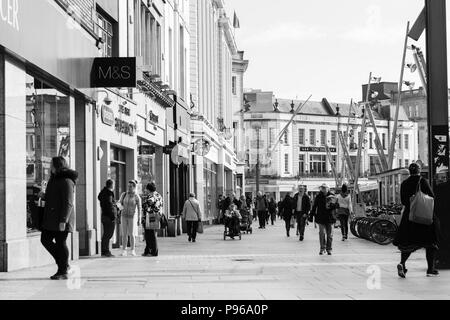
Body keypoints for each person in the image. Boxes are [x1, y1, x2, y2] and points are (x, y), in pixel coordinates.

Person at [393, 163, 440, 278]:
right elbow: (432, 196)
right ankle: (430, 269)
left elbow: (404, 201)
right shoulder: (422, 181)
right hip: (423, 217)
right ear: (419, 171)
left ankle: (402, 264)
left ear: (409, 171)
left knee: (407, 244)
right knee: (431, 243)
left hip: (409, 217)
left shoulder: (404, 183)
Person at [40, 157, 78, 280]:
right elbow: (53, 198)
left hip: (62, 219)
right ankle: (64, 265)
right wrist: (44, 196)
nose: (50, 166)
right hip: (52, 218)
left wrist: (63, 220)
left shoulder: (67, 181)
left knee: (61, 243)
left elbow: (68, 203)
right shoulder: (53, 179)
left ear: (57, 165)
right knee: (45, 239)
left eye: (51, 164)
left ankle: (63, 271)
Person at [310, 184, 337, 255]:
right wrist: (311, 216)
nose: (323, 189)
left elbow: (337, 205)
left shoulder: (332, 196)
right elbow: (314, 206)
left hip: (330, 218)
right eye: (322, 188)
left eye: (325, 188)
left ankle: (329, 249)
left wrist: (332, 205)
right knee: (321, 233)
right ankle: (322, 248)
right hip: (321, 218)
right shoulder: (318, 196)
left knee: (329, 235)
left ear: (328, 189)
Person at [119, 180, 142, 257]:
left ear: (134, 187)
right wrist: (122, 209)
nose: (129, 187)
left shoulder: (136, 196)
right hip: (124, 216)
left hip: (132, 217)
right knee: (124, 234)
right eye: (128, 186)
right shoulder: (124, 194)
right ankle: (124, 250)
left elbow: (139, 208)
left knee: (132, 234)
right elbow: (119, 203)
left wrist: (139, 219)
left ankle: (132, 250)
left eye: (131, 186)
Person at [141, 182, 163, 256]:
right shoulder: (158, 195)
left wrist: (144, 205)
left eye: (146, 189)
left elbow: (148, 204)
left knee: (150, 235)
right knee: (150, 234)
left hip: (150, 216)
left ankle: (154, 252)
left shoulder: (151, 196)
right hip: (156, 216)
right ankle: (147, 251)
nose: (145, 190)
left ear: (148, 189)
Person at [98, 179, 118, 257]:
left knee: (106, 234)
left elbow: (100, 198)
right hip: (109, 217)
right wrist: (113, 216)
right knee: (108, 234)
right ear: (112, 185)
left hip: (104, 215)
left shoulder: (103, 192)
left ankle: (104, 251)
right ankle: (105, 251)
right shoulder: (109, 193)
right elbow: (109, 205)